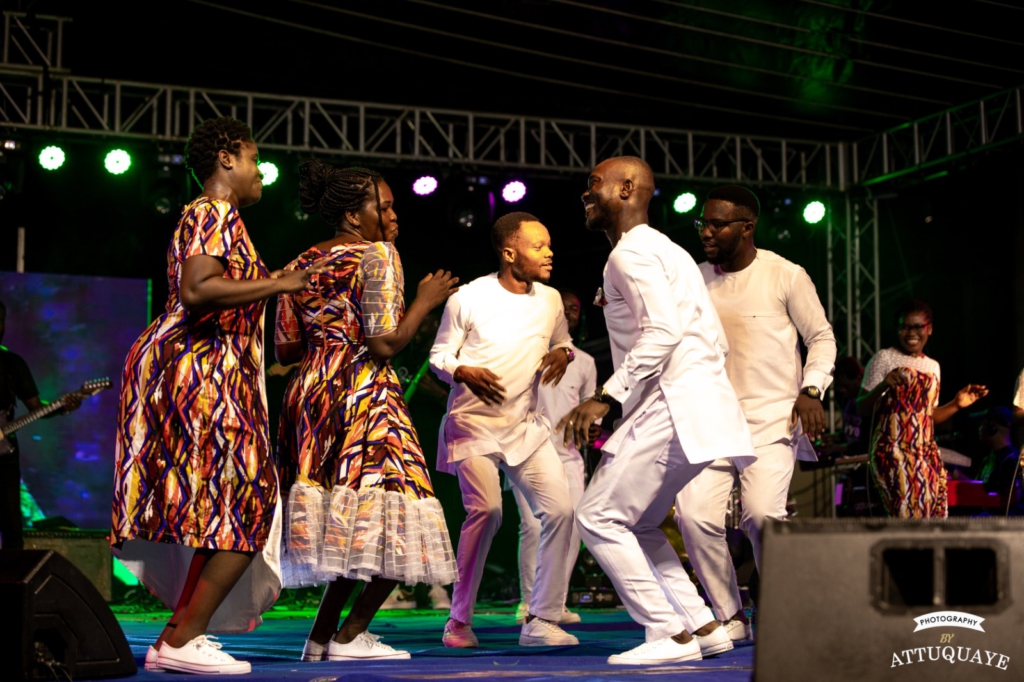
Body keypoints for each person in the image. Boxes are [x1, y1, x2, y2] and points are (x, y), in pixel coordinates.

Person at [111, 117, 321, 675]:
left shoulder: (220, 219)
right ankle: (183, 640)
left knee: (225, 511)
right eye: (254, 160)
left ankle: (177, 637)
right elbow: (198, 289)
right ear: (227, 158)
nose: (260, 174)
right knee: (247, 504)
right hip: (201, 379)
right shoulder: (212, 211)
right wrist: (278, 284)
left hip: (213, 377)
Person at [559, 157, 752, 665]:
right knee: (639, 522)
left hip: (675, 403)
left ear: (626, 188)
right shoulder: (668, 250)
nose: (587, 194)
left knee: (597, 515)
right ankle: (703, 625)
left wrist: (608, 395)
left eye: (595, 185)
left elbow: (663, 332)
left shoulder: (631, 255)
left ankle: (667, 632)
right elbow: (708, 337)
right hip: (697, 404)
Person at [274, 161, 459, 661]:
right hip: (363, 391)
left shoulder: (301, 261)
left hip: (311, 394)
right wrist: (424, 300)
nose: (394, 214)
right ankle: (352, 636)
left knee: (352, 516)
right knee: (402, 505)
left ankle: (319, 638)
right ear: (355, 217)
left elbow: (287, 349)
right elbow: (383, 343)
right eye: (386, 204)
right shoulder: (379, 255)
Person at [673, 185, 837, 642]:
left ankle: (785, 607)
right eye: (702, 223)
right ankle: (731, 615)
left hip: (771, 419)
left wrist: (811, 389)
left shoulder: (785, 274)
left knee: (763, 515)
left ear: (747, 227)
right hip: (712, 419)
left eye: (716, 223)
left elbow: (821, 337)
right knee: (692, 515)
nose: (706, 231)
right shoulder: (695, 279)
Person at [430, 212, 578, 649]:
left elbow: (562, 340)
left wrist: (564, 354)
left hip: (524, 427)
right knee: (488, 511)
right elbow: (440, 355)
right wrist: (462, 370)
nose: (549, 252)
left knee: (562, 512)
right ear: (510, 253)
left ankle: (541, 619)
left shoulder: (550, 299)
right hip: (473, 424)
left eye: (549, 244)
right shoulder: (469, 297)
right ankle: (458, 621)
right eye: (538, 246)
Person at [511, 289, 600, 625]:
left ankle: (553, 603)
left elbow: (592, 409)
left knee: (572, 526)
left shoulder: (586, 363)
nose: (569, 311)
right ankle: (528, 603)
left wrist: (593, 428)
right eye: (563, 307)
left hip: (569, 457)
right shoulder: (529, 350)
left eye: (575, 307)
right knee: (533, 526)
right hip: (526, 453)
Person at [856, 299, 988, 518]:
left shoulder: (933, 366)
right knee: (907, 515)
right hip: (893, 449)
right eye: (904, 326)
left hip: (925, 452)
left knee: (934, 515)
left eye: (918, 326)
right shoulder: (884, 358)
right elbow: (861, 407)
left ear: (929, 329)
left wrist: (956, 404)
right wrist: (882, 385)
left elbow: (927, 417)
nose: (911, 332)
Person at [0, 299, 82, 550]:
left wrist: (60, 406)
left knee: (12, 530)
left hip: (4, 458)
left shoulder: (13, 364)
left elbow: (35, 408)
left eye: (0, 320)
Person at [970, 406, 1021, 512]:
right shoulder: (987, 459)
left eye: (982, 423)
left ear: (992, 426)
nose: (979, 428)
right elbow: (979, 490)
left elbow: (1008, 500)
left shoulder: (1012, 459)